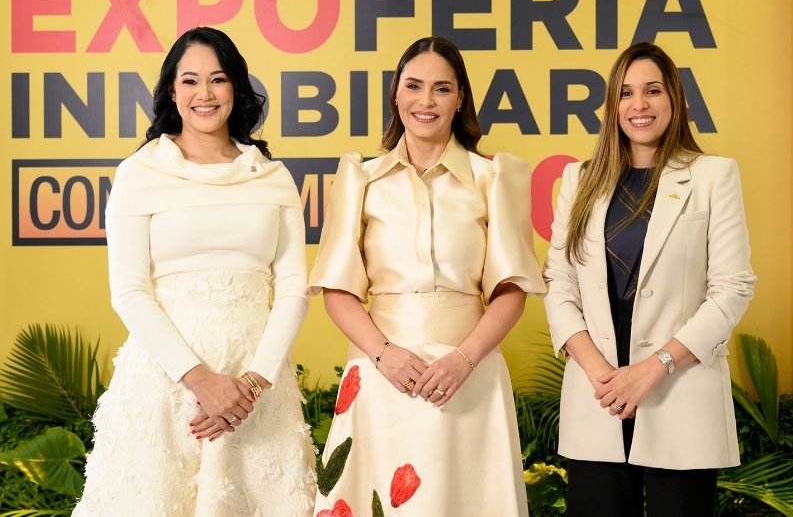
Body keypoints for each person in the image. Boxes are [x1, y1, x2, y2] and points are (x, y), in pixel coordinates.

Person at [74, 27, 316, 517]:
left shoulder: (271, 176)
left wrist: (250, 384)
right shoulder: (139, 174)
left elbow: (294, 290)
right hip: (166, 385)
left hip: (258, 389)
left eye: (218, 79)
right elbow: (129, 291)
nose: (204, 94)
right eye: (190, 81)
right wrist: (201, 380)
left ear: (237, 89)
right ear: (172, 91)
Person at [307, 36, 545, 516]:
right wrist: (384, 355)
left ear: (460, 98)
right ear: (396, 93)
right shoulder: (360, 178)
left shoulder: (495, 179)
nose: (427, 101)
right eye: (414, 86)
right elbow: (337, 291)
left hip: (468, 378)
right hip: (380, 377)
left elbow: (511, 291)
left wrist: (464, 360)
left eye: (442, 88)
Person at [543, 41, 756, 517]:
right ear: (612, 106)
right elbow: (559, 284)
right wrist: (604, 377)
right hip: (598, 397)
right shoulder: (579, 179)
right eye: (625, 93)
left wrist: (652, 369)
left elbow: (732, 289)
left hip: (679, 391)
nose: (638, 105)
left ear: (674, 99)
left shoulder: (713, 176)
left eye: (652, 91)